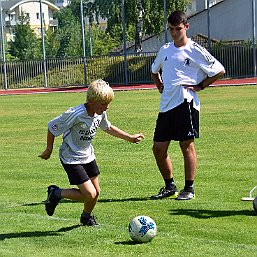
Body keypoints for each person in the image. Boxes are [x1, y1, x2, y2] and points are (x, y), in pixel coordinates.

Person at [39, 79, 144, 226]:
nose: (106, 107)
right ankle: (56, 193)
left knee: (96, 192)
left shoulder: (99, 113)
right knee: (90, 194)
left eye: (108, 104)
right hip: (71, 157)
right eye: (103, 104)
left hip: (87, 155)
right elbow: (52, 127)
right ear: (91, 101)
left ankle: (86, 217)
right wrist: (49, 149)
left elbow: (108, 127)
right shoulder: (75, 113)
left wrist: (130, 138)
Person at [150, 10, 225, 200]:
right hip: (166, 105)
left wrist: (200, 86)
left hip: (186, 102)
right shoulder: (165, 49)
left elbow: (218, 70)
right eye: (171, 29)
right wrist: (159, 85)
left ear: (186, 27)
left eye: (178, 29)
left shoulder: (195, 49)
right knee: (158, 148)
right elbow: (154, 70)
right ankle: (169, 186)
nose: (174, 33)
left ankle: (189, 189)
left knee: (186, 146)